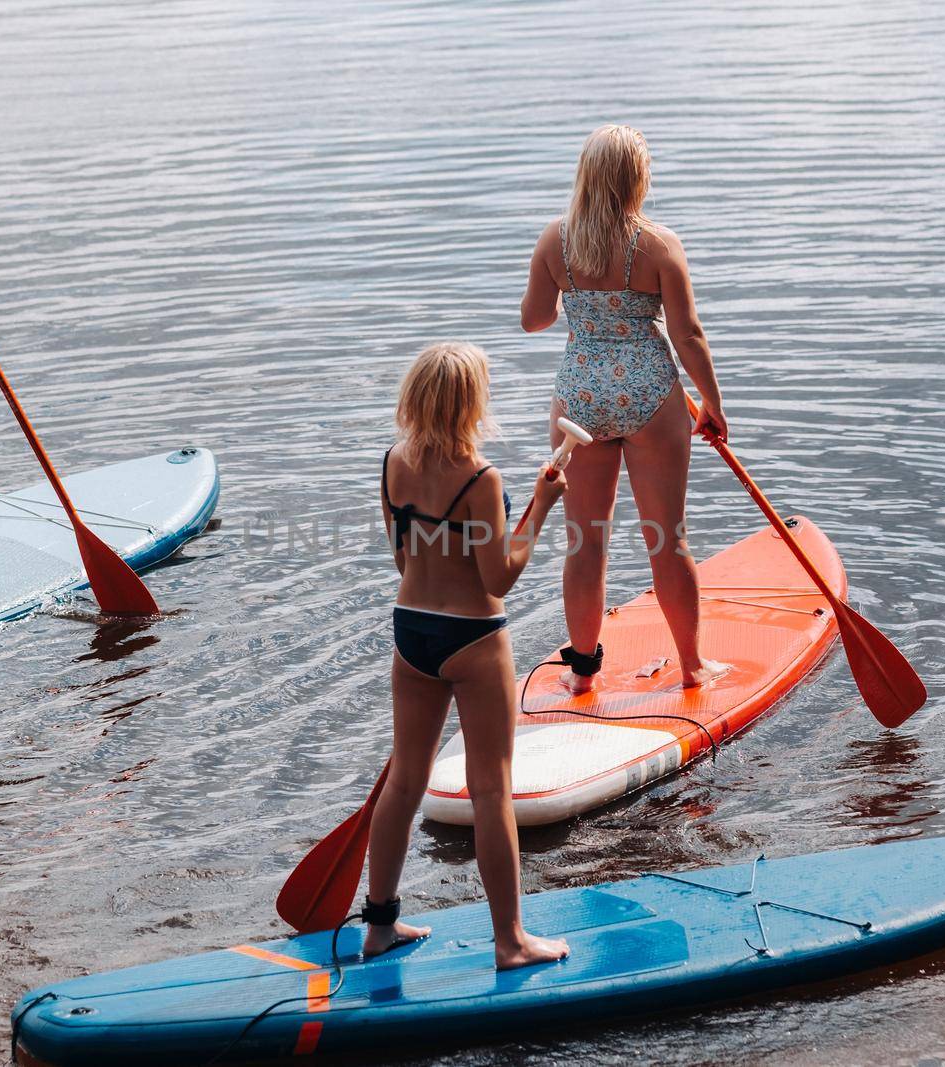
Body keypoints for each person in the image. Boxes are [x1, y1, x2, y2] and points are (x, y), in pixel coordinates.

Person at [362, 342, 571, 971]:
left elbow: (405, 559)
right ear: (471, 404)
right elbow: (499, 578)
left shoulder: (392, 464)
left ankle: (379, 927)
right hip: (474, 639)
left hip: (411, 632)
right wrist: (540, 507)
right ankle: (510, 942)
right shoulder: (483, 480)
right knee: (490, 791)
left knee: (405, 780)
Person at [520, 124, 730, 693]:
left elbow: (533, 320)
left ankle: (583, 675)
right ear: (638, 181)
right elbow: (688, 335)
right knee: (668, 536)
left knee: (585, 541)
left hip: (580, 400)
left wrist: (569, 298)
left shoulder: (556, 241)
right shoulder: (658, 245)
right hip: (650, 396)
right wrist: (711, 403)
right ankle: (691, 666)